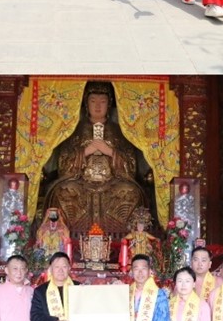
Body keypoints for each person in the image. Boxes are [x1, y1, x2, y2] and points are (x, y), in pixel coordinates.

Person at [44, 83, 148, 235]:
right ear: (86, 104)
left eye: (103, 102)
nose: (98, 106)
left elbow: (131, 165)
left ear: (109, 104)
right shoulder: (74, 130)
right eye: (93, 101)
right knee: (63, 191)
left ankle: (119, 235)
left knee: (131, 191)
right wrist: (85, 151)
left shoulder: (120, 131)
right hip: (81, 183)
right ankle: (73, 235)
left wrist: (111, 152)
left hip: (112, 183)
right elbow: (63, 165)